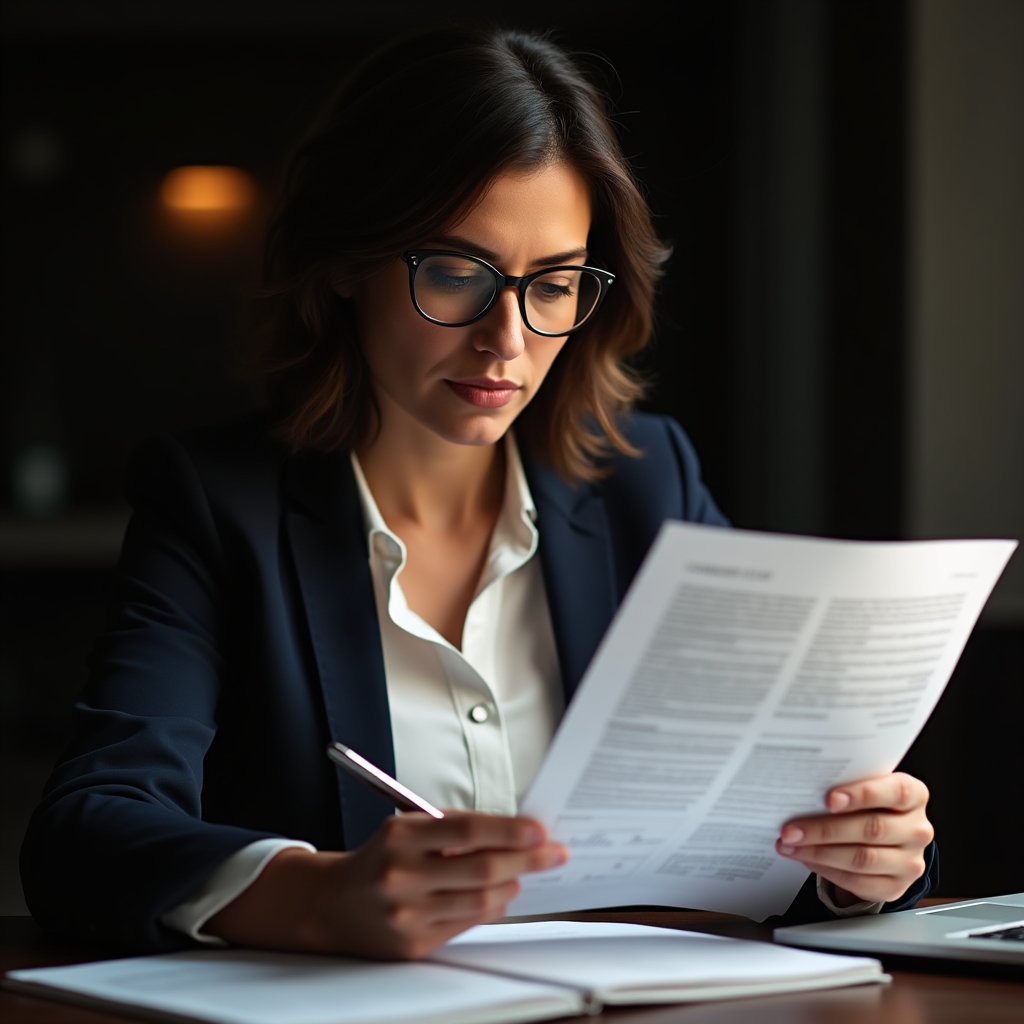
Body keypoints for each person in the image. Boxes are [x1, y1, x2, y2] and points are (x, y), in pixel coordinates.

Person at [21, 26, 937, 959]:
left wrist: (856, 862)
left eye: (554, 284)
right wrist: (319, 896)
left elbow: (765, 815)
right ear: (345, 264)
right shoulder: (221, 507)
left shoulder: (647, 482)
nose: (507, 341)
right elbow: (84, 836)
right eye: (457, 274)